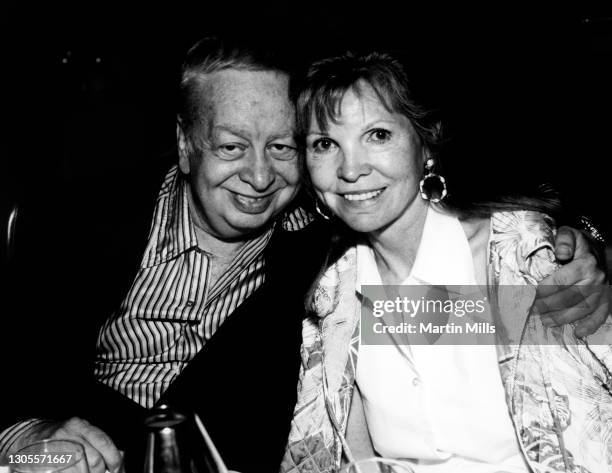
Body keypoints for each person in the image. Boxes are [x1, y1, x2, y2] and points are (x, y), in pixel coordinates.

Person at [0, 38, 606, 473]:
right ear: (186, 145)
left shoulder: (325, 256)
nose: (260, 176)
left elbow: (481, 319)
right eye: (232, 146)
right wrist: (24, 441)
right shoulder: (78, 227)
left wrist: (585, 248)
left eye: (284, 147)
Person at [282, 51, 612, 473]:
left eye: (378, 135)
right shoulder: (333, 295)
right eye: (325, 144)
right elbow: (343, 456)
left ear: (425, 146)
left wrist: (596, 250)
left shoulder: (517, 256)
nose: (350, 169)